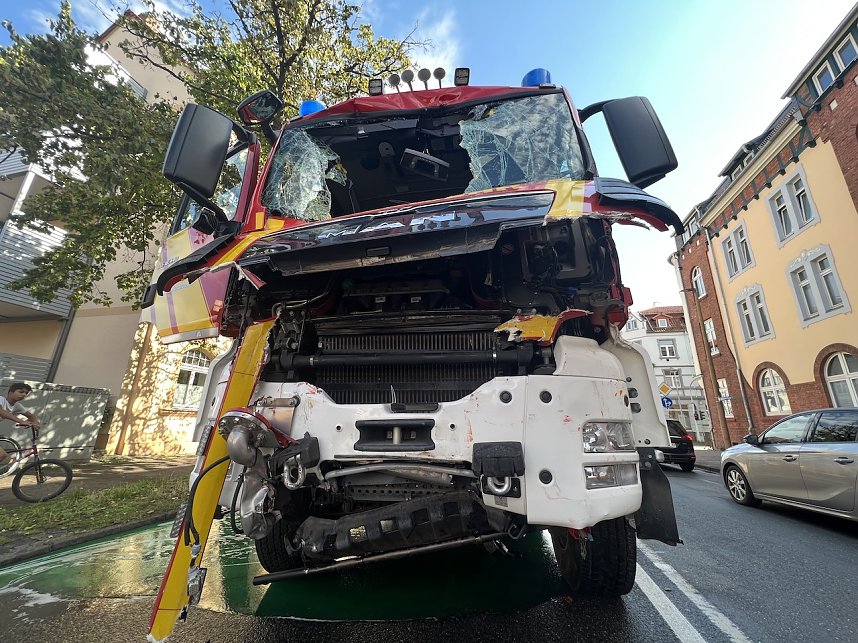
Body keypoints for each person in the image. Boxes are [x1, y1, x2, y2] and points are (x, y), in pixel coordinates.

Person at [0, 382, 40, 467]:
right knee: (2, 454)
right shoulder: (1, 399)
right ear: (11, 392)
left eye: (26, 393)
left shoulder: (17, 406)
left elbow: (32, 416)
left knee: (2, 455)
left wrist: (35, 424)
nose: (24, 395)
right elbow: (2, 412)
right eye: (21, 392)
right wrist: (21, 421)